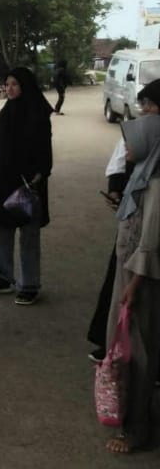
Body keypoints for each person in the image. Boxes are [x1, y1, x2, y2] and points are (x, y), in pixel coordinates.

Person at [86, 80, 160, 362]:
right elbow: (120, 159)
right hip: (131, 231)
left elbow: (151, 240)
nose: (144, 112)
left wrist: (138, 277)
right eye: (144, 105)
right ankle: (113, 345)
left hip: (143, 247)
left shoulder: (155, 182)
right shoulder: (142, 142)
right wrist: (118, 191)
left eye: (151, 106)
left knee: (139, 303)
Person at [102, 104, 160, 454]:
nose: (126, 148)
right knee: (127, 348)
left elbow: (151, 242)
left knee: (137, 351)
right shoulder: (143, 174)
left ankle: (136, 428)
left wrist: (133, 287)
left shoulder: (156, 184)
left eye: (131, 141)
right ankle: (130, 418)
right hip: (129, 277)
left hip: (139, 282)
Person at [0, 67, 53, 305]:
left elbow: (45, 149)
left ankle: (29, 285)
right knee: (0, 230)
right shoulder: (6, 112)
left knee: (28, 235)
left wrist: (40, 175)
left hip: (28, 183)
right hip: (4, 180)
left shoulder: (38, 113)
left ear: (25, 86)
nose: (9, 89)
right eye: (7, 84)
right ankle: (3, 277)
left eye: (14, 84)